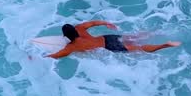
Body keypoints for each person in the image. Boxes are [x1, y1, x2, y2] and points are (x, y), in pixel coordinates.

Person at [47, 20, 181, 59]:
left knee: (140, 49)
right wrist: (106, 23)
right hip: (107, 38)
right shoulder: (80, 28)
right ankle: (156, 32)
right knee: (134, 38)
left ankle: (165, 45)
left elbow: (56, 55)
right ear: (75, 29)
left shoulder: (72, 47)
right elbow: (93, 23)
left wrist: (41, 57)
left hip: (109, 47)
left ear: (65, 36)